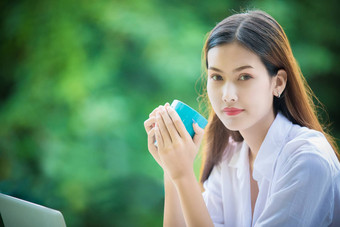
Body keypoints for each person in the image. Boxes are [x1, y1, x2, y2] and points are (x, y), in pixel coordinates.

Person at [144, 10, 340, 227]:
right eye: (217, 77)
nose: (227, 95)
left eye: (244, 77)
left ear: (278, 83)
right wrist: (172, 172)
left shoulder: (308, 160)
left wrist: (183, 175)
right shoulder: (229, 157)